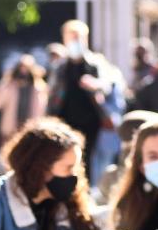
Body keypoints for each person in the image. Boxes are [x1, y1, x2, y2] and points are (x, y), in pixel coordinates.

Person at [47, 20, 114, 156]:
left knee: (87, 157)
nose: (74, 42)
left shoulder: (95, 63)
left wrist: (94, 84)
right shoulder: (60, 66)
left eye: (77, 37)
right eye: (71, 38)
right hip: (64, 119)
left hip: (90, 120)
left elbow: (107, 86)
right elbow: (52, 93)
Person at [0, 55, 48, 149]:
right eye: (21, 67)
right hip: (11, 126)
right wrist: (6, 83)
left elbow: (41, 108)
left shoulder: (38, 87)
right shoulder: (10, 86)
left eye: (26, 68)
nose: (23, 71)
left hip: (30, 126)